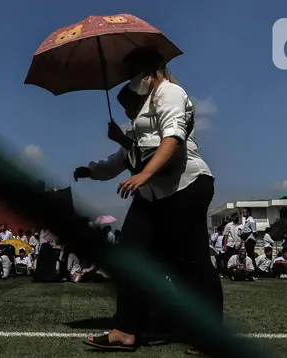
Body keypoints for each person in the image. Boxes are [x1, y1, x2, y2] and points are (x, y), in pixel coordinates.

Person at [76, 49, 222, 355]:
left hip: (187, 186)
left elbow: (173, 139)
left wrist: (143, 175)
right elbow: (120, 160)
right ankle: (125, 330)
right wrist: (91, 171)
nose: (131, 82)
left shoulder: (170, 92)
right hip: (152, 197)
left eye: (134, 74)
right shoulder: (139, 122)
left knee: (194, 262)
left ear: (151, 72)